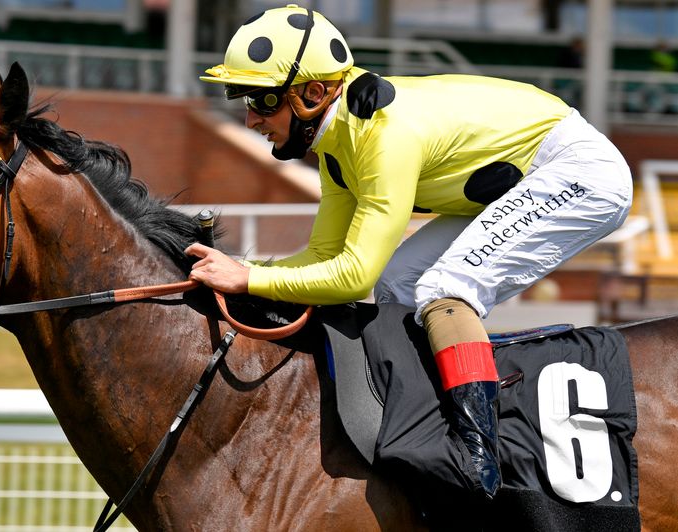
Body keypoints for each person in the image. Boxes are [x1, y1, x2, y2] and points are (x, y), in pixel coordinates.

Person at [187, 4, 632, 500]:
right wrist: (239, 269)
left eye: (261, 101)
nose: (249, 119)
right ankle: (425, 417)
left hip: (579, 171)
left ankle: (478, 453)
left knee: (446, 288)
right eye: (241, 100)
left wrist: (246, 279)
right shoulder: (338, 143)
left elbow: (352, 278)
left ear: (313, 93)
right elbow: (323, 260)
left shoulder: (382, 134)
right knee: (398, 281)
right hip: (524, 177)